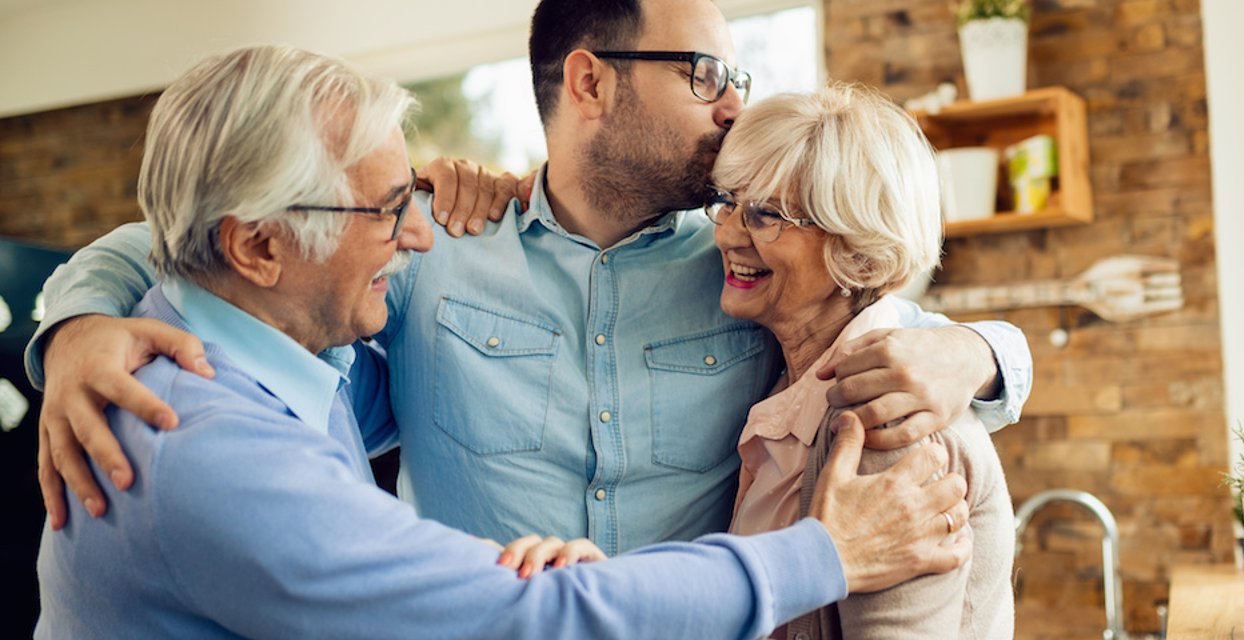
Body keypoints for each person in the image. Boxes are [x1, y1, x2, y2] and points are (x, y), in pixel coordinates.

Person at [35, 44, 972, 639]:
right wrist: (73, 327)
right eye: (699, 73)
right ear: (590, 79)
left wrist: (986, 354)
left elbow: (866, 316)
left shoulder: (739, 287)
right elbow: (519, 618)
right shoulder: (207, 434)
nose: (415, 232)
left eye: (763, 211)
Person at [714, 86, 1015, 639]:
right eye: (728, 201)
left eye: (765, 215)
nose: (727, 233)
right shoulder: (786, 380)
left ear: (857, 251)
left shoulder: (885, 427)